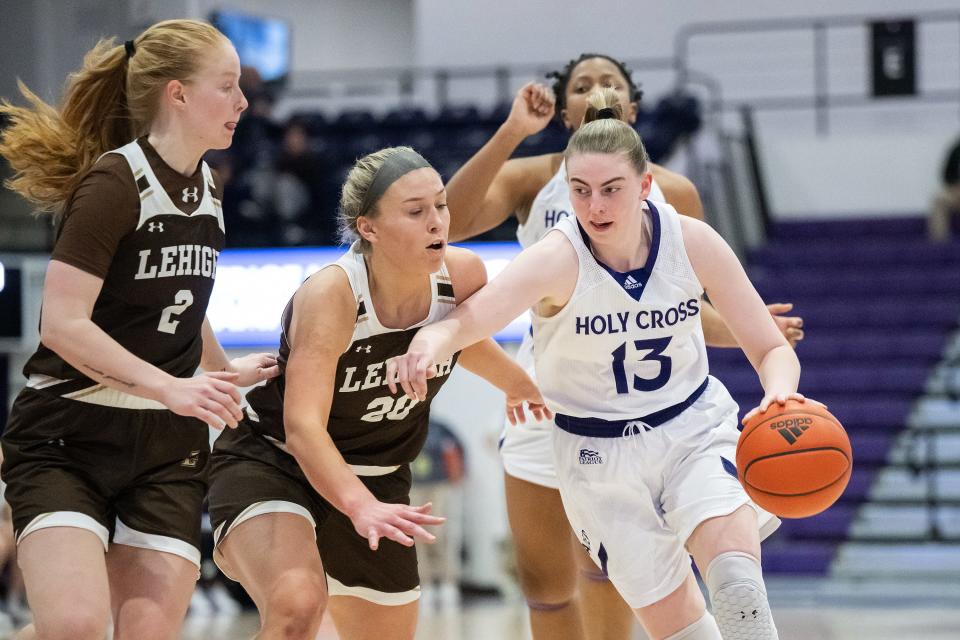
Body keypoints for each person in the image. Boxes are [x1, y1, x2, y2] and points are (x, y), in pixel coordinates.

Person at [389, 90, 819, 640]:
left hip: (691, 430)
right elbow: (472, 318)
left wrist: (780, 392)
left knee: (738, 586)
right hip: (597, 457)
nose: (595, 207)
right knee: (681, 628)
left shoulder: (692, 241)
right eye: (581, 191)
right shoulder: (556, 256)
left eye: (612, 190)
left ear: (644, 186)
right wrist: (431, 341)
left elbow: (769, 346)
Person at [0, 19, 279, 640]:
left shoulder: (207, 184)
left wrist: (216, 370)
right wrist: (169, 386)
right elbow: (62, 324)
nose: (243, 102)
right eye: (228, 86)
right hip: (68, 433)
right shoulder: (114, 182)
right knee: (74, 626)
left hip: (162, 446)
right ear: (177, 93)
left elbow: (181, 300)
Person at [206, 146, 550, 640]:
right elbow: (302, 428)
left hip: (380, 476)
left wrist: (517, 384)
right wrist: (358, 505)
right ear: (368, 228)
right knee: (297, 607)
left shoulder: (463, 274)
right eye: (416, 211)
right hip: (275, 461)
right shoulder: (334, 294)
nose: (437, 222)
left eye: (441, 206)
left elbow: (463, 337)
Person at [929, 134, 960, 241]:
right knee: (939, 200)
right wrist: (955, 187)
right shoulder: (956, 149)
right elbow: (947, 174)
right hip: (957, 192)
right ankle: (940, 242)